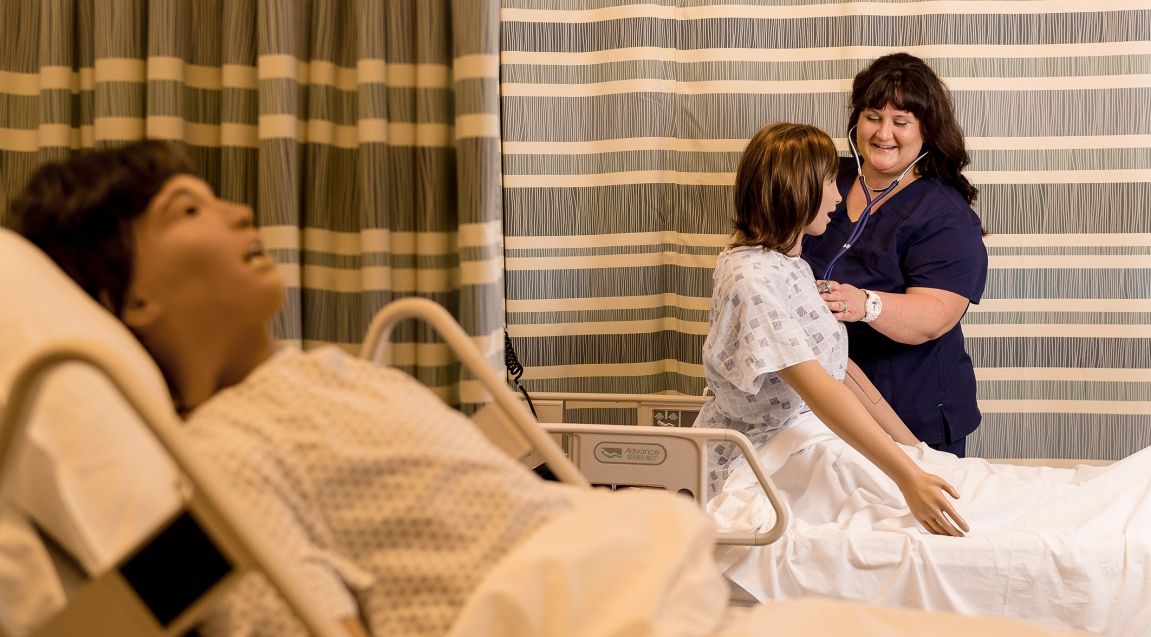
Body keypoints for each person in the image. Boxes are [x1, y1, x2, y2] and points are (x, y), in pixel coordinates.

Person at [11, 141, 1088, 637]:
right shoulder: (225, 461)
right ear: (130, 301)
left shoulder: (332, 371)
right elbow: (209, 604)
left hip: (669, 591)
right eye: (193, 208)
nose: (242, 214)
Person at [694, 122, 967, 538]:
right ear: (796, 190)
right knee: (890, 518)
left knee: (932, 490)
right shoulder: (752, 279)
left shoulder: (792, 266)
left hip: (805, 442)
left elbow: (841, 373)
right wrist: (907, 477)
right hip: (764, 460)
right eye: (828, 182)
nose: (839, 195)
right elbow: (822, 391)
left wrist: (916, 455)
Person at [801, 53, 988, 457]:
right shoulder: (824, 178)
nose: (884, 133)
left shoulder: (945, 214)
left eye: (901, 122)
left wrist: (863, 304)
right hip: (816, 409)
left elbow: (934, 316)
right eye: (873, 116)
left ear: (926, 131)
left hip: (910, 413)